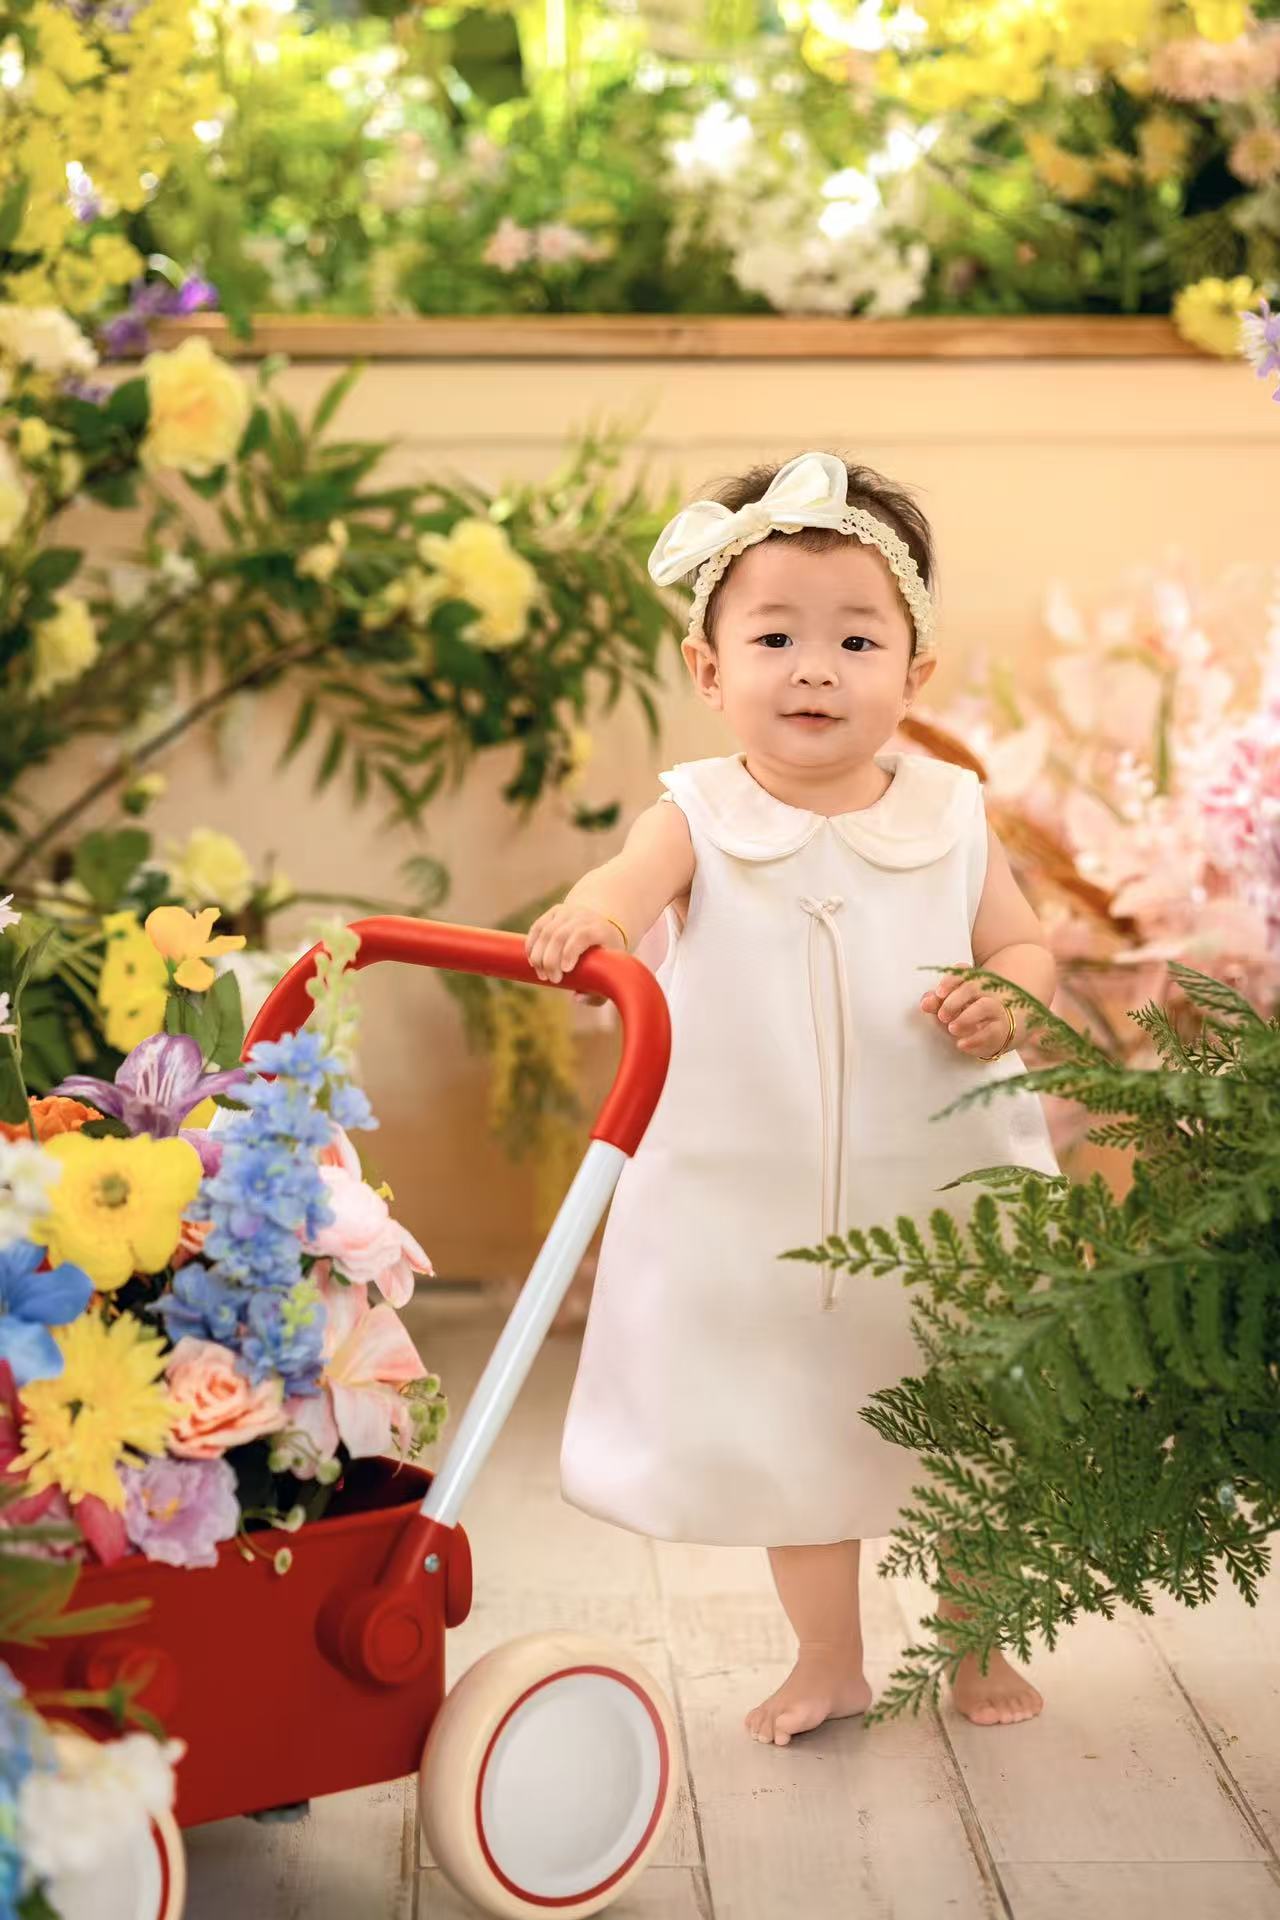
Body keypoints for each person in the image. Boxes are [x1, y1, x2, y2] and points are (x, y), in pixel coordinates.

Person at [525, 450, 1060, 1743]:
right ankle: (830, 1660)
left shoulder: (952, 815)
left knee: (967, 1422)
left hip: (944, 1198)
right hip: (762, 1208)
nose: (816, 669)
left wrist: (1010, 996)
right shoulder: (696, 816)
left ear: (914, 674)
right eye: (775, 638)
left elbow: (1025, 946)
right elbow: (618, 890)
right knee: (799, 1430)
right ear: (710, 671)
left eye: (857, 641)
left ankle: (976, 1643)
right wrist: (591, 921)